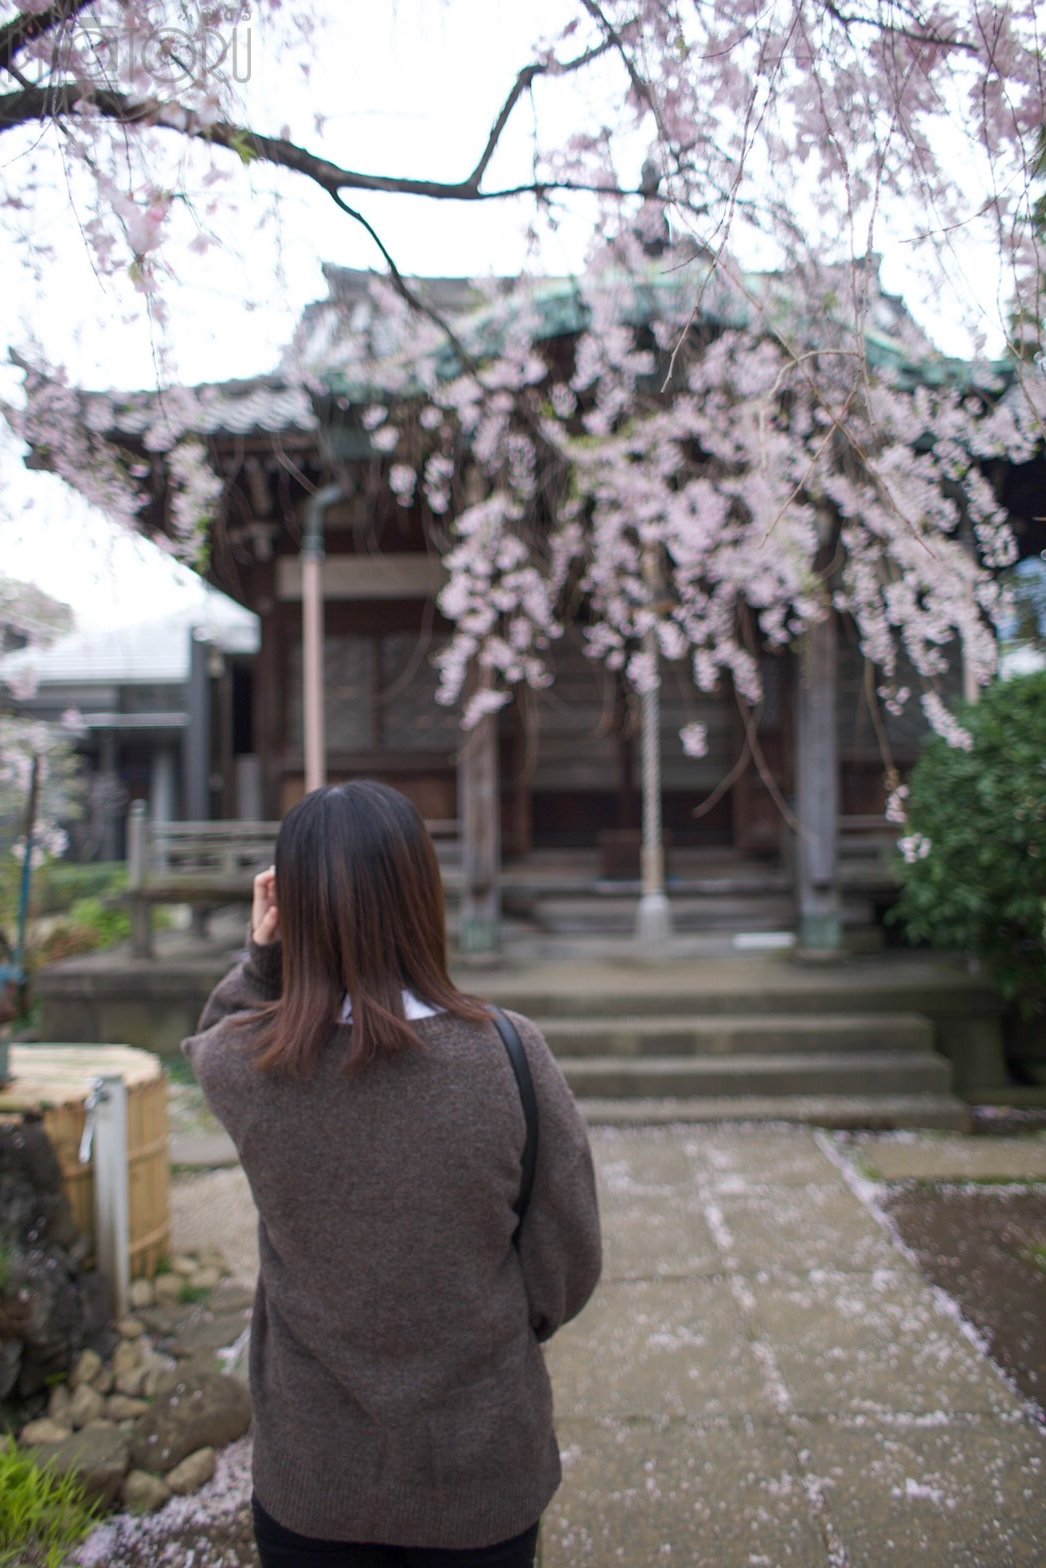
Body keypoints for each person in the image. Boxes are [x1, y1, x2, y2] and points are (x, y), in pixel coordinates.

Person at [182, 780, 602, 1568]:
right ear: (421, 894)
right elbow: (567, 1264)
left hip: (313, 1474)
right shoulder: (509, 1056)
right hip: (478, 1469)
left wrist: (264, 960)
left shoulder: (249, 1068)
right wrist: (500, 1334)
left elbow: (214, 1035)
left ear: (290, 908)